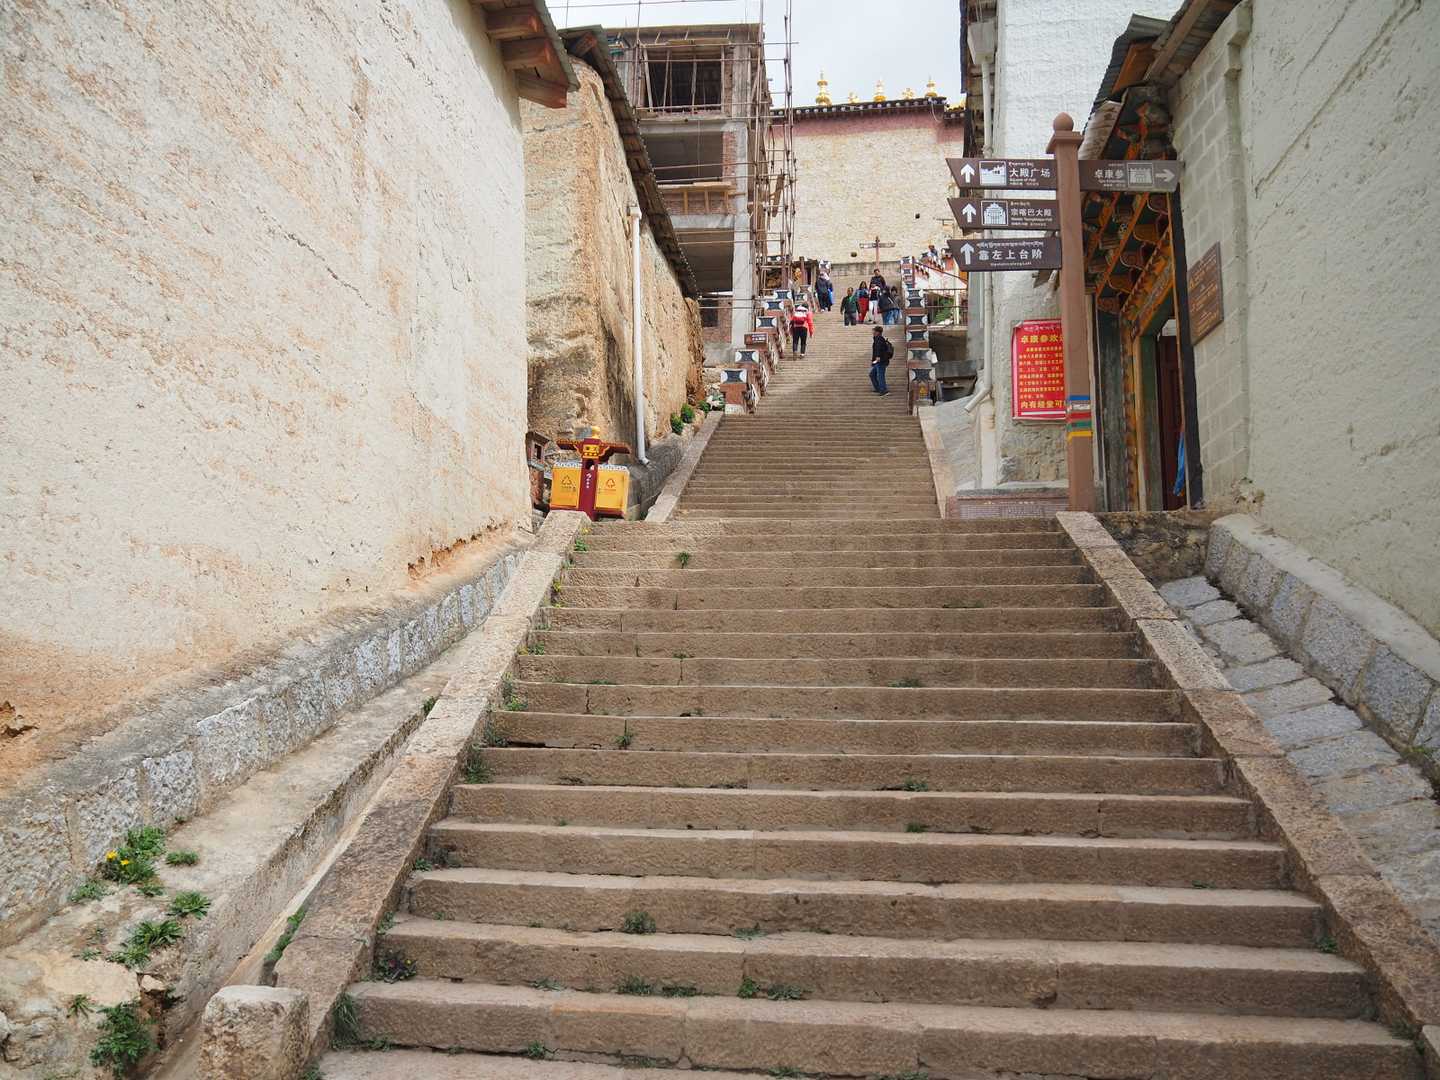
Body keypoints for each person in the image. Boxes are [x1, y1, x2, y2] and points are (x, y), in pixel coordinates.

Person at [869, 326, 893, 395]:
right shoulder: (877, 339)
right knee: (872, 374)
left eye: (874, 331)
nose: (872, 332)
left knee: (880, 376)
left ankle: (884, 390)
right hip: (878, 360)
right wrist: (873, 360)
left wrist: (878, 357)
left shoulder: (880, 339)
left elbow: (879, 350)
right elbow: (875, 351)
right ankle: (878, 388)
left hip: (881, 361)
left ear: (877, 332)